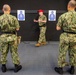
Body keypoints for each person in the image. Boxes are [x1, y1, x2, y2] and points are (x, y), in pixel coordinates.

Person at [54, 0, 76, 74]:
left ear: (68, 6)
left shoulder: (63, 16)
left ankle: (60, 69)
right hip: (75, 37)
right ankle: (72, 69)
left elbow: (58, 28)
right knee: (73, 52)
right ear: (75, 7)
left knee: (62, 52)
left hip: (65, 36)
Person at [0, 4, 22, 72]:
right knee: (14, 52)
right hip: (12, 37)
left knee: (3, 52)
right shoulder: (13, 18)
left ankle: (3, 67)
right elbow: (17, 29)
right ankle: (16, 67)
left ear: (3, 9)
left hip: (3, 37)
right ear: (10, 10)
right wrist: (12, 28)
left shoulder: (0, 18)